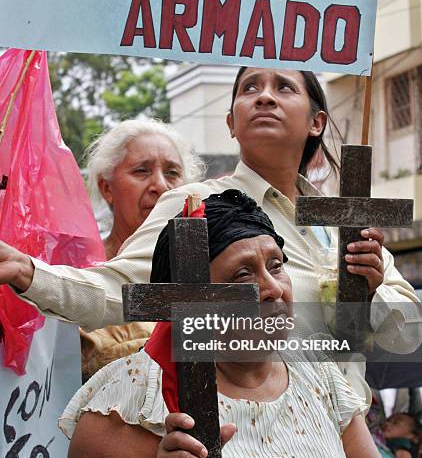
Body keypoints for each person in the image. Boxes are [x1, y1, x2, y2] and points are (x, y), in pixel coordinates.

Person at [2, 68, 420, 403]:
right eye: (250, 87)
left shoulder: (346, 223)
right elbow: (122, 291)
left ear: (317, 122)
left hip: (348, 445)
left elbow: (408, 336)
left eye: (284, 87)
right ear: (231, 124)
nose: (265, 96)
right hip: (245, 439)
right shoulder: (196, 205)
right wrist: (28, 272)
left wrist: (370, 293)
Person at [59, 191, 405, 458]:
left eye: (276, 266)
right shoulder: (135, 391)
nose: (272, 289)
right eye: (242, 275)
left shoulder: (319, 375)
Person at [81, 117, 204, 377]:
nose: (160, 185)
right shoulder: (77, 276)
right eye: (141, 171)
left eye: (172, 173)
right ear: (107, 188)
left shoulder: (209, 274)